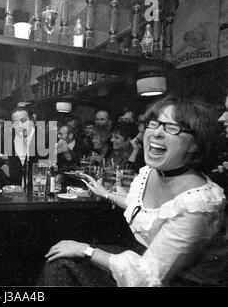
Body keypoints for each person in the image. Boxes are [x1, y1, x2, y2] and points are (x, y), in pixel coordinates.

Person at [37, 94, 228, 287]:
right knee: (59, 261)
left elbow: (148, 276)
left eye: (172, 127)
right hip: (142, 258)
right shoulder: (150, 173)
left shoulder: (199, 204)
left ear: (195, 143)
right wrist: (106, 193)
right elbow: (141, 206)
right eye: (153, 124)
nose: (156, 133)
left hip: (174, 280)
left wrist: (85, 250)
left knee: (64, 264)